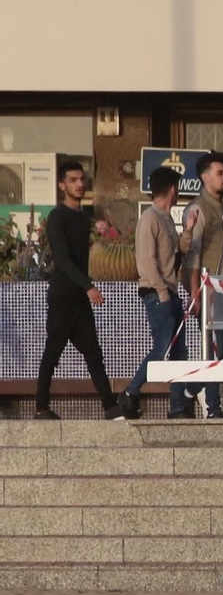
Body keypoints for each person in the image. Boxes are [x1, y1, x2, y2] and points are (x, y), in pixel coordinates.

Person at [34, 161, 119, 420]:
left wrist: (85, 287)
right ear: (62, 185)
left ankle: (110, 407)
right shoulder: (57, 216)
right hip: (63, 295)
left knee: (93, 353)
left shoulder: (83, 218)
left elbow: (81, 259)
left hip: (79, 297)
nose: (80, 184)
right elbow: (62, 258)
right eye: (73, 180)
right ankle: (41, 407)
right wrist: (88, 286)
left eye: (82, 179)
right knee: (53, 351)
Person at [116, 168, 198, 419]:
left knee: (179, 351)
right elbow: (147, 260)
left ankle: (177, 406)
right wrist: (162, 291)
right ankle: (130, 393)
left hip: (169, 292)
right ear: (173, 189)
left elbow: (175, 254)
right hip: (157, 292)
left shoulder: (165, 219)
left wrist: (187, 231)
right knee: (162, 348)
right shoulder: (150, 218)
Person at [180, 153, 223, 419]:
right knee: (213, 349)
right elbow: (192, 255)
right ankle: (214, 407)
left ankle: (192, 387)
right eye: (220, 173)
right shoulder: (197, 209)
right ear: (205, 177)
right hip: (210, 292)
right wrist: (197, 294)